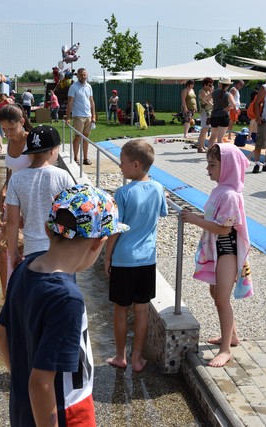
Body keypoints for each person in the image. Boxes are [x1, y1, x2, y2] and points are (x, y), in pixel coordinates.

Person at [0, 183, 128, 426]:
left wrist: (21, 378)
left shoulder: (24, 269)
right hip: (67, 411)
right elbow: (41, 383)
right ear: (98, 243)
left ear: (48, 230)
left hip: (25, 408)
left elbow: (1, 336)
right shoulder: (67, 298)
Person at [180, 144, 253, 367]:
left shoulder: (230, 195)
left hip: (226, 249)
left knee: (221, 298)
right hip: (216, 248)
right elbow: (214, 218)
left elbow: (224, 229)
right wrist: (198, 217)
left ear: (228, 167)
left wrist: (195, 220)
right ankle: (232, 335)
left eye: (212, 165)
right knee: (215, 293)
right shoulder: (220, 190)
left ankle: (225, 350)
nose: (207, 169)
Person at [104, 139, 168, 373]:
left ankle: (120, 356)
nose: (120, 166)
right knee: (142, 310)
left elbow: (115, 229)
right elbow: (161, 213)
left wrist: (107, 257)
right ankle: (137, 358)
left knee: (121, 309)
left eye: (122, 162)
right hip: (147, 259)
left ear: (136, 165)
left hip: (124, 259)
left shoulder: (122, 193)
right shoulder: (158, 188)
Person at [6, 125, 75, 269]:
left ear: (30, 152)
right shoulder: (63, 177)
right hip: (61, 250)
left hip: (32, 250)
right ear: (53, 150)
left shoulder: (16, 179)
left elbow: (12, 222)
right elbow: (74, 215)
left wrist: (13, 253)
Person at [0, 103, 33, 296]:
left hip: (28, 201)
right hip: (12, 199)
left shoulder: (32, 141)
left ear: (22, 122)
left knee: (23, 247)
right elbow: (11, 171)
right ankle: (5, 294)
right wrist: (4, 189)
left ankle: (23, 290)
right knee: (4, 248)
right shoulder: (9, 142)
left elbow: (38, 173)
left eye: (11, 129)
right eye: (4, 129)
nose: (8, 133)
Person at [66, 67, 96, 165]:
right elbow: (70, 103)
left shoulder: (89, 86)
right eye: (81, 75)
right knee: (78, 136)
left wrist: (93, 115)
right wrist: (68, 117)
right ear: (77, 76)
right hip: (78, 116)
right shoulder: (73, 87)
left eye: (84, 75)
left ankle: (85, 158)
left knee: (86, 137)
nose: (83, 77)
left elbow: (91, 101)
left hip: (88, 116)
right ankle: (76, 158)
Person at [208, 77, 236, 148]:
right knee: (220, 138)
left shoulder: (214, 92)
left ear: (220, 84)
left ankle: (209, 151)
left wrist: (212, 104)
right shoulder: (228, 94)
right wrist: (227, 108)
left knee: (213, 136)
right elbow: (234, 104)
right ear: (228, 85)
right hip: (223, 116)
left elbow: (205, 98)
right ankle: (219, 153)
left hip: (214, 116)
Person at [197, 77, 214, 153]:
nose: (211, 86)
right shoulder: (202, 92)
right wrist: (214, 106)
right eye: (209, 85)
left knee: (206, 129)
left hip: (208, 112)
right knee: (204, 129)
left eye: (211, 85)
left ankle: (202, 145)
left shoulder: (207, 92)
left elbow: (211, 100)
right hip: (204, 112)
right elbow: (208, 101)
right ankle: (200, 148)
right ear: (205, 85)